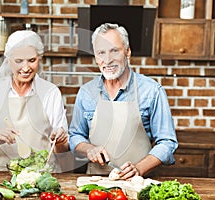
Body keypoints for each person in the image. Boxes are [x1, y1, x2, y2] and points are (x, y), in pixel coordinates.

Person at [69, 23, 178, 179]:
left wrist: (139, 169)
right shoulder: (86, 92)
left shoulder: (152, 91)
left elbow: (167, 143)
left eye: (114, 50)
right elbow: (75, 136)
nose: (107, 60)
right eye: (101, 52)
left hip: (140, 184)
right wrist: (88, 149)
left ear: (127, 52)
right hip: (97, 186)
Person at [0, 30, 69, 172]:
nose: (26, 68)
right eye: (19, 61)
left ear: (39, 58)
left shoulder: (50, 92)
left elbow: (62, 150)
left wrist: (60, 140)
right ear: (9, 60)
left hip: (42, 178)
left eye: (32, 60)